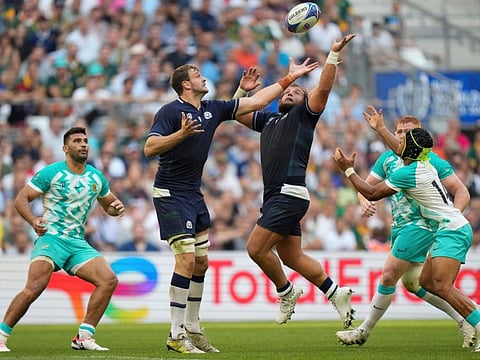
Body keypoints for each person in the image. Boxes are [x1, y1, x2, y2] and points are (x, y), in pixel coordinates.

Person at [144, 60, 319, 354]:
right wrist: (181, 135)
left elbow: (258, 101)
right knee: (186, 260)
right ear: (186, 84)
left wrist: (290, 77)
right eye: (197, 74)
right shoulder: (171, 112)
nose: (203, 77)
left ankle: (193, 328)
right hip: (170, 193)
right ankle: (176, 334)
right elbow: (150, 148)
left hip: (193, 194)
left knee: (201, 263)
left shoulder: (211, 108)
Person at [233, 34, 357, 328]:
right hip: (278, 197)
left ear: (305, 101)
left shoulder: (304, 116)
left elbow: (323, 88)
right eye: (288, 91)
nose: (290, 93)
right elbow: (235, 112)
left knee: (255, 249)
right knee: (292, 257)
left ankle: (287, 292)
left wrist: (332, 55)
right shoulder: (268, 121)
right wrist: (242, 90)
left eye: (298, 92)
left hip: (289, 194)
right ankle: (336, 293)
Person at [333, 108, 480, 351]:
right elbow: (368, 190)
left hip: (429, 226)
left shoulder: (414, 169)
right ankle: (465, 319)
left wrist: (347, 169)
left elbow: (371, 190)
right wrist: (363, 199)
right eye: (398, 132)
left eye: (406, 135)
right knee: (421, 282)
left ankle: (364, 331)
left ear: (413, 142)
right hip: (419, 227)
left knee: (395, 274)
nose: (400, 138)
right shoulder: (417, 162)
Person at [0, 127, 125, 352]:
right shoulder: (52, 172)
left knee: (108, 280)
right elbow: (21, 199)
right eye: (77, 141)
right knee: (34, 287)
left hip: (77, 243)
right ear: (66, 148)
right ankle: (1, 335)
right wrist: (32, 221)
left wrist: (116, 208)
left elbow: (110, 206)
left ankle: (84, 337)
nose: (84, 144)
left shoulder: (96, 176)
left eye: (86, 141)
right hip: (52, 238)